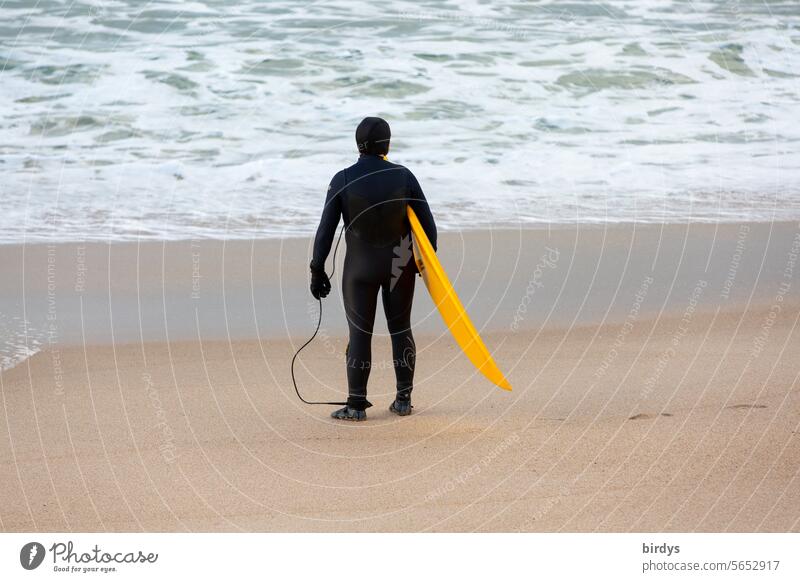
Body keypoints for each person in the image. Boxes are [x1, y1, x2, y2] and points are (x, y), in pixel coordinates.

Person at [310, 117, 437, 421]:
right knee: (400, 329)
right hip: (399, 266)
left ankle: (356, 406)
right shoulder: (404, 176)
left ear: (358, 145)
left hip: (360, 270)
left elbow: (325, 231)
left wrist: (317, 270)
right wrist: (422, 264)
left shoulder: (342, 179)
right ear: (387, 144)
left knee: (359, 333)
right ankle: (403, 400)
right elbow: (428, 227)